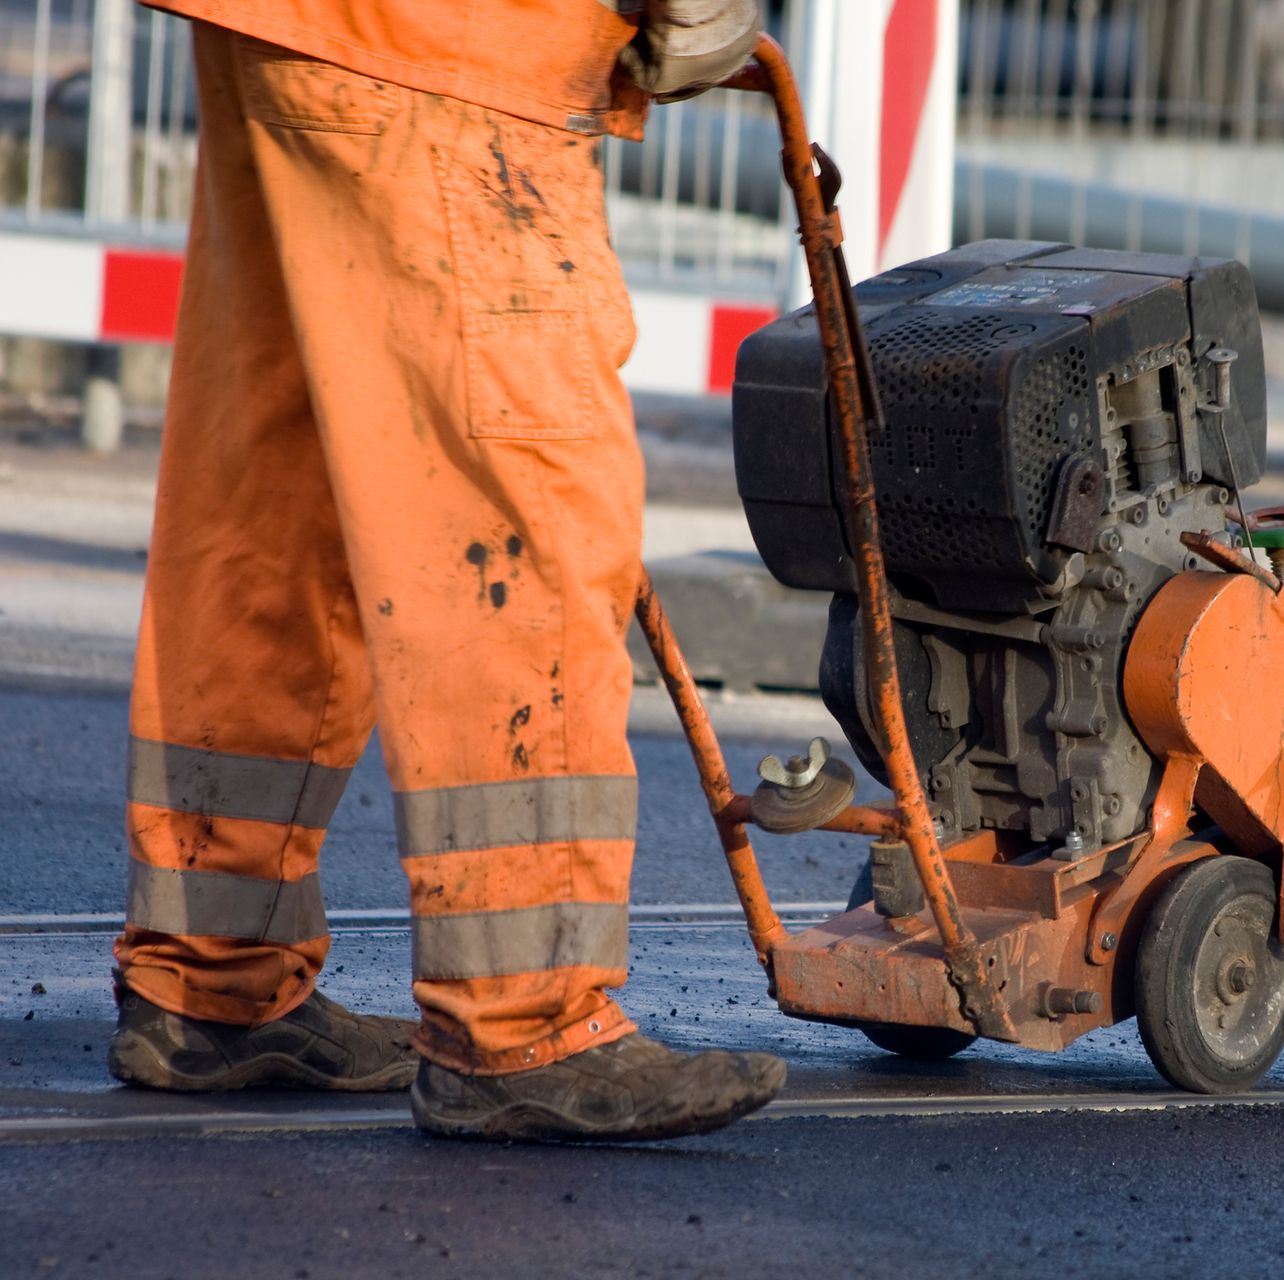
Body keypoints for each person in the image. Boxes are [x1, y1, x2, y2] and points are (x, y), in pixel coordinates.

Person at [104, 0, 784, 1143]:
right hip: (458, 41)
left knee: (283, 489)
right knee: (515, 511)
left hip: (291, 23)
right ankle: (525, 1018)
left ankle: (210, 975)